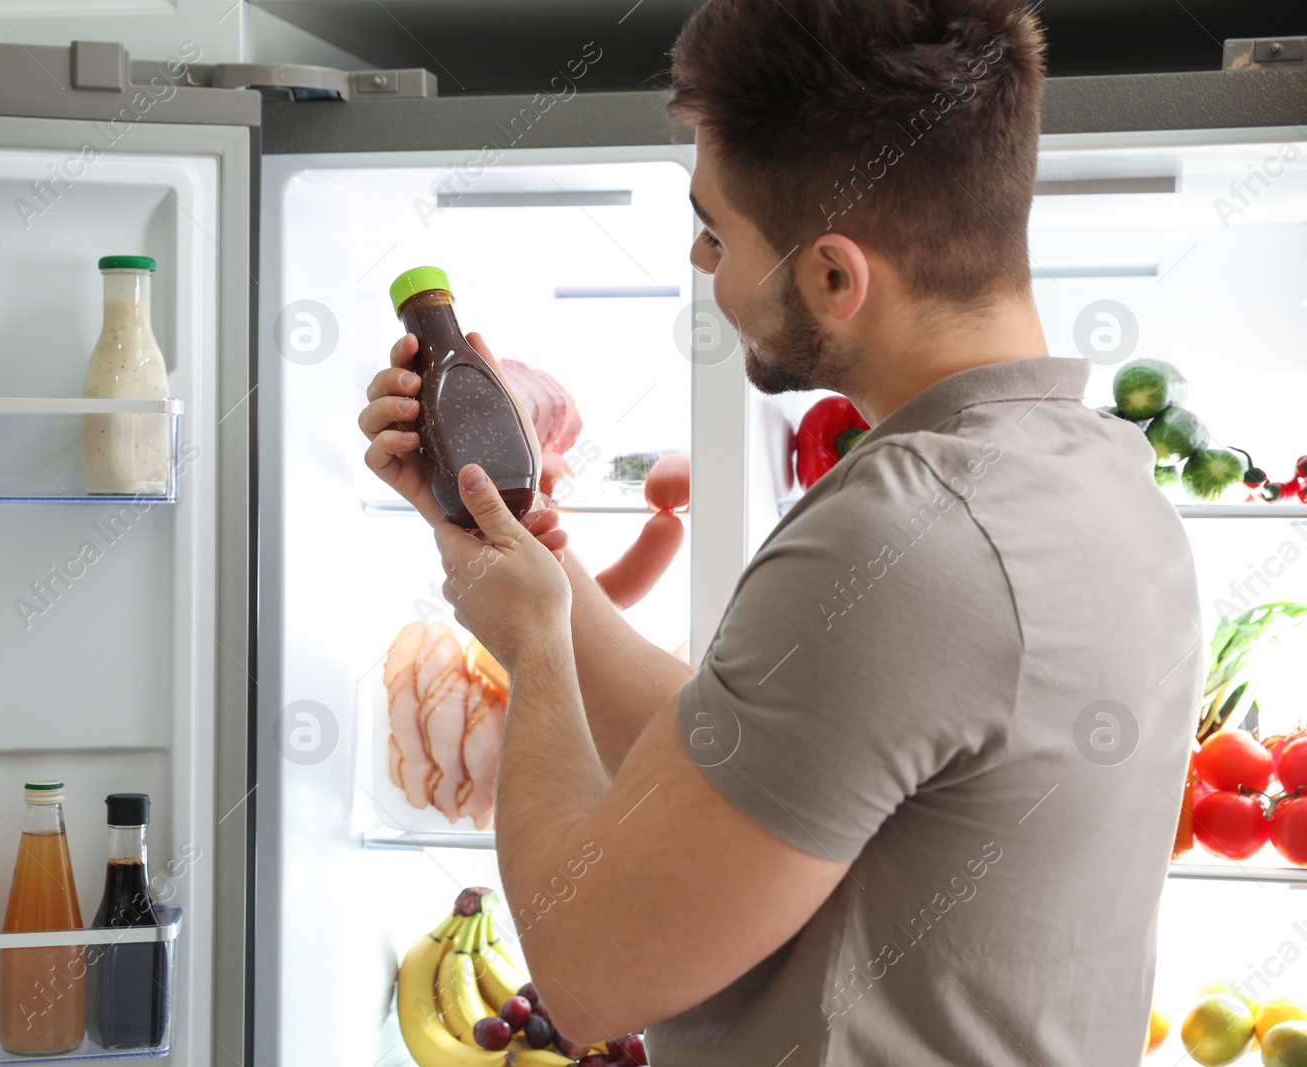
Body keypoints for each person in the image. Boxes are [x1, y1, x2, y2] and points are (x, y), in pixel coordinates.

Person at [358, 0, 1201, 1062]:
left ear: (832, 276)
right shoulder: (1104, 478)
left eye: (716, 231)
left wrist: (530, 647)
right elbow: (756, 762)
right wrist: (534, 558)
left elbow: (584, 969)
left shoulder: (905, 539)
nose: (703, 263)